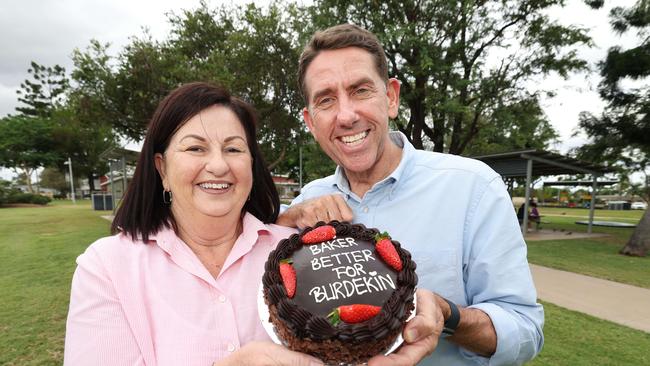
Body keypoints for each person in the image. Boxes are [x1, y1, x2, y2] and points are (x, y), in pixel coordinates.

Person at [277, 24, 544, 365]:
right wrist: (288, 217)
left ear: (391, 97)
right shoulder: (309, 201)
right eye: (326, 100)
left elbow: (525, 330)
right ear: (311, 121)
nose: (345, 116)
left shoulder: (473, 188)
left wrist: (449, 316)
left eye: (360, 91)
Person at [64, 82, 323, 366]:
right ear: (162, 169)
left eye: (234, 149)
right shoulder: (107, 267)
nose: (218, 165)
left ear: (251, 163)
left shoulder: (296, 251)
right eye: (196, 148)